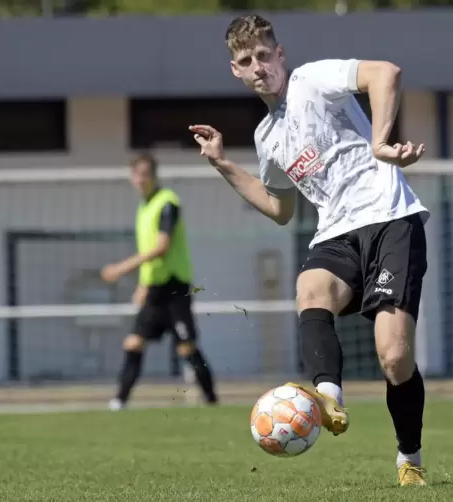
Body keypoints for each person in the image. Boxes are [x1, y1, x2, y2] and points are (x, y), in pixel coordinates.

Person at [189, 15, 429, 486]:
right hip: (336, 233)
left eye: (263, 55)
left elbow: (385, 73)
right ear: (236, 72)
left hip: (388, 219)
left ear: (280, 55)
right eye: (245, 61)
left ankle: (410, 459)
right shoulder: (267, 137)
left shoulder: (311, 80)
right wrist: (222, 164)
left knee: (394, 357)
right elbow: (280, 207)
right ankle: (327, 396)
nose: (257, 67)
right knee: (310, 286)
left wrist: (379, 142)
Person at [101, 153, 218, 409]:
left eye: (145, 174)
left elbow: (161, 248)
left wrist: (121, 268)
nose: (140, 180)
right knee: (133, 342)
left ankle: (212, 400)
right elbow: (149, 252)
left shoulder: (168, 203)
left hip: (175, 288)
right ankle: (118, 402)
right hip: (155, 290)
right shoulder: (143, 208)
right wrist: (143, 284)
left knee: (186, 348)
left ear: (153, 176)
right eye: (136, 175)